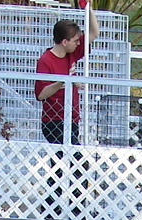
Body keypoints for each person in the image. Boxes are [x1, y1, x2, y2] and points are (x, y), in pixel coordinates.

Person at [34, 1, 99, 144]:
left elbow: (93, 33)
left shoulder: (72, 53)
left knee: (68, 157)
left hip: (72, 118)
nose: (78, 43)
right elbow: (41, 94)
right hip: (54, 121)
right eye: (75, 41)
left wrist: (88, 8)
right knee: (75, 157)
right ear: (64, 42)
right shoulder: (46, 60)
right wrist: (64, 81)